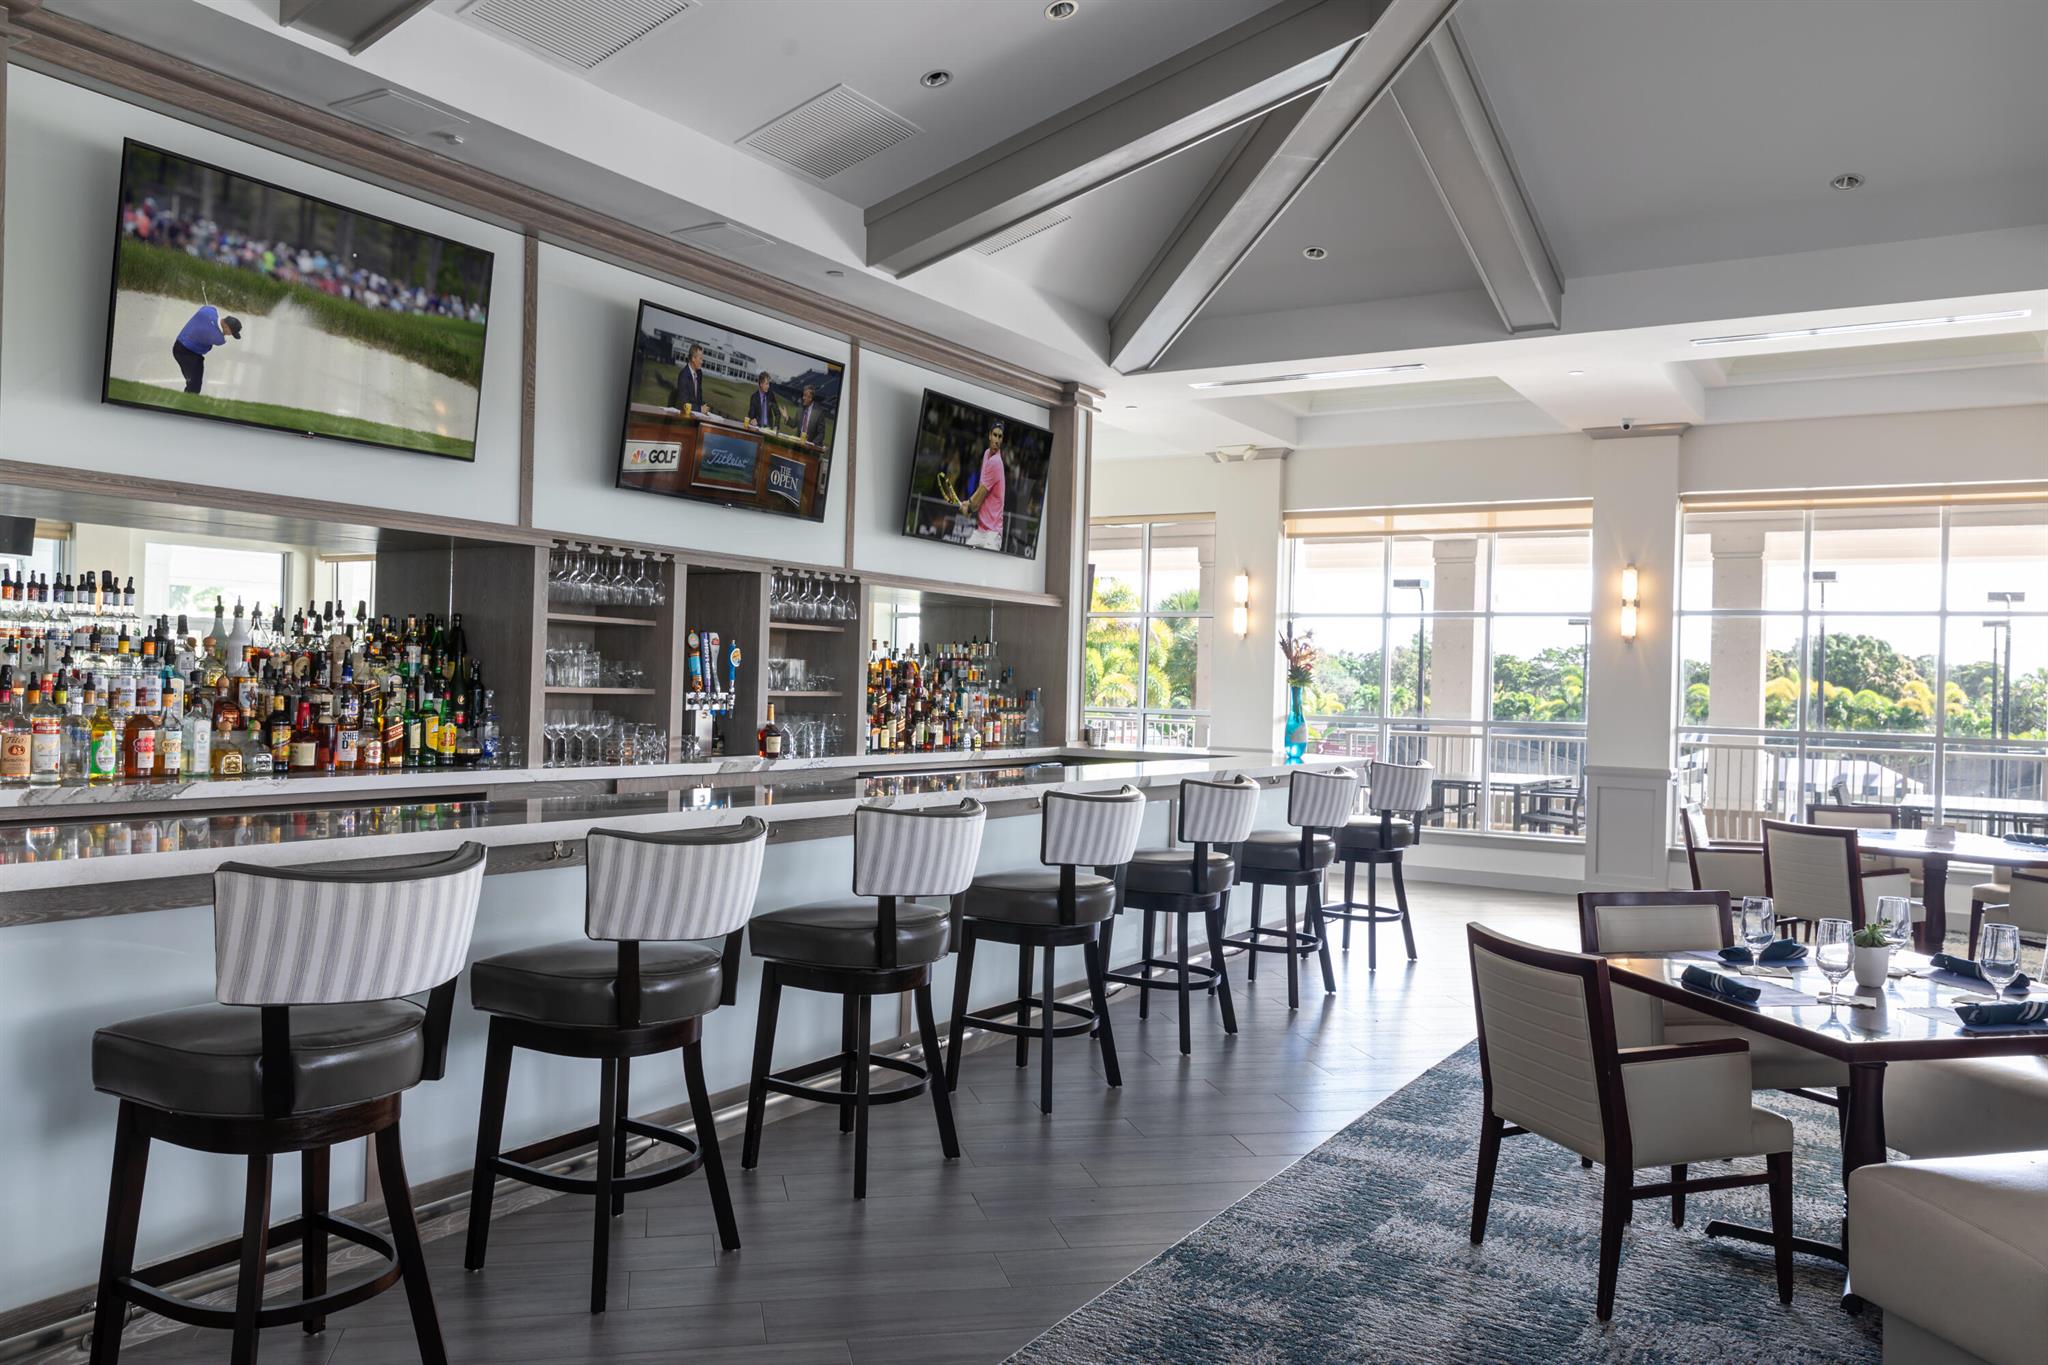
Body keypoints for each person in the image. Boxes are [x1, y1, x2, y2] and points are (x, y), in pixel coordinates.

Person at [957, 420, 1008, 552]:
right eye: (995, 435)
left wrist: (969, 507)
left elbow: (980, 495)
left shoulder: (996, 462)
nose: (997, 440)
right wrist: (970, 503)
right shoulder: (986, 454)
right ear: (989, 435)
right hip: (981, 531)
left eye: (1000, 437)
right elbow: (981, 489)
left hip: (993, 535)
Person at [171, 305, 242, 396]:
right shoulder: (219, 339)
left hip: (181, 346)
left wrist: (211, 319)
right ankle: (186, 401)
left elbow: (208, 307)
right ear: (226, 326)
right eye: (231, 332)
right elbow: (208, 348)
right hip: (185, 353)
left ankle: (188, 398)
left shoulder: (209, 311)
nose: (229, 335)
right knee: (194, 384)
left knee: (195, 382)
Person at [667, 342, 707, 413]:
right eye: (700, 359)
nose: (702, 362)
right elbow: (684, 403)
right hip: (683, 414)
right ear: (693, 358)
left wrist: (703, 406)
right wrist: (700, 409)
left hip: (695, 414)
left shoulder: (699, 373)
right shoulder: (683, 375)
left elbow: (698, 397)